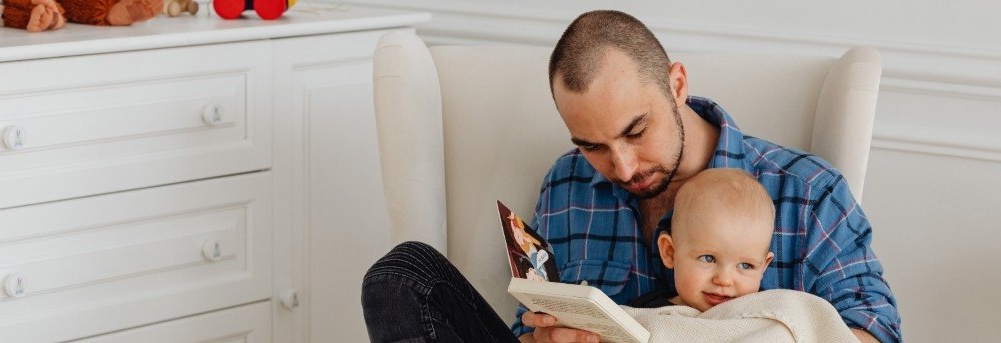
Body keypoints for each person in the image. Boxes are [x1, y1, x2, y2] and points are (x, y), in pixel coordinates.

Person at [361, 9, 900, 343]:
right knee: (402, 274)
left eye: (636, 131)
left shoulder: (806, 192)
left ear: (677, 84)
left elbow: (875, 332)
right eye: (593, 145)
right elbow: (534, 319)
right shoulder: (569, 185)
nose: (622, 168)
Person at [628, 168, 775, 312]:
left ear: (764, 266)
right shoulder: (645, 313)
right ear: (670, 252)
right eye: (708, 258)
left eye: (745, 265)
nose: (724, 280)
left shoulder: (765, 316)